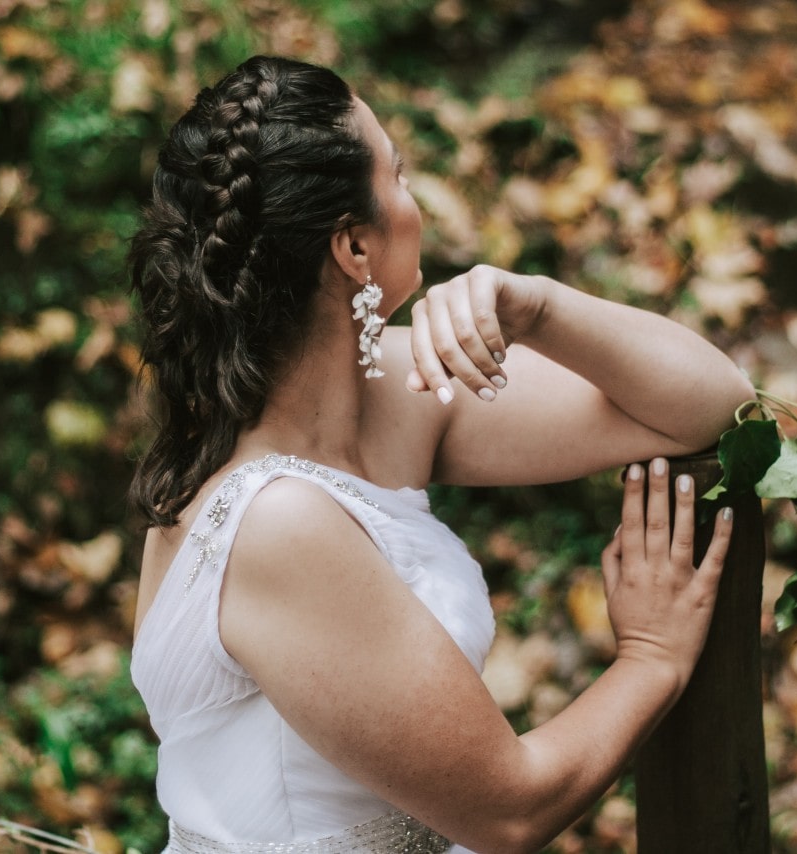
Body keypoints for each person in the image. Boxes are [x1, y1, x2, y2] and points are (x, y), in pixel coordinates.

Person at [127, 55, 755, 853]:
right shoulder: (275, 522)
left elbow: (715, 406)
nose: (418, 200)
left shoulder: (385, 389)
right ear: (354, 246)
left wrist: (537, 306)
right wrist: (652, 658)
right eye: (402, 175)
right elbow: (508, 810)